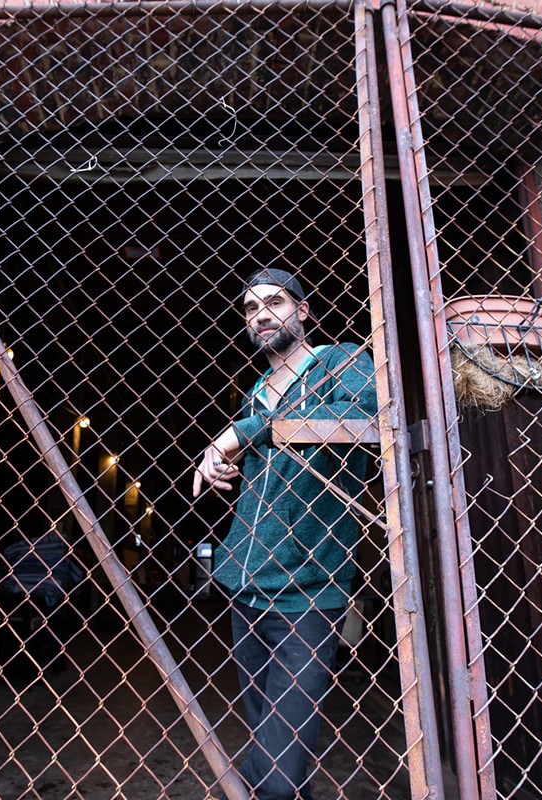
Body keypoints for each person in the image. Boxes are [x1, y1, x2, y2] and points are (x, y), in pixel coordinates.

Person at [192, 268, 377, 800]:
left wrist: (240, 434)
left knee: (274, 768)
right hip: (246, 585)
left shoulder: (341, 362)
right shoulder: (255, 391)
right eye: (251, 309)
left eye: (274, 303)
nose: (262, 315)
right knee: (273, 745)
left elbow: (358, 417)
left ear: (303, 310)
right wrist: (225, 457)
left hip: (308, 589)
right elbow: (258, 467)